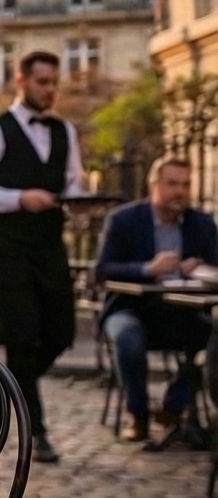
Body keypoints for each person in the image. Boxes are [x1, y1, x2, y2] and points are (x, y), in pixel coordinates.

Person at [0, 50, 82, 464]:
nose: (50, 90)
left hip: (50, 243)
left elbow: (72, 184)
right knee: (21, 336)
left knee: (61, 332)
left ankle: (1, 386)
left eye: (54, 83)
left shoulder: (64, 131)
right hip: (8, 245)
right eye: (43, 82)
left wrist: (83, 200)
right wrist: (19, 199)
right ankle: (37, 433)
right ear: (21, 81)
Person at [94, 158, 218, 443]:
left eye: (185, 185)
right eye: (172, 184)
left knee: (213, 334)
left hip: (182, 310)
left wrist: (198, 267)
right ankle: (137, 415)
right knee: (128, 338)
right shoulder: (124, 220)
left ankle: (175, 406)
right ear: (154, 186)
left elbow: (215, 266)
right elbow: (102, 270)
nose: (180, 191)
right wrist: (147, 269)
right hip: (129, 307)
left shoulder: (201, 223)